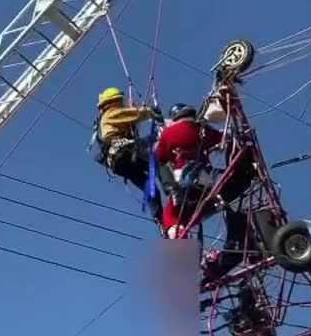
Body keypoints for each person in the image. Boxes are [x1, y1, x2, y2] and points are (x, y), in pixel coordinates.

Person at [94, 87, 163, 220]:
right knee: (160, 164)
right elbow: (134, 114)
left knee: (151, 188)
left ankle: (160, 219)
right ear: (115, 101)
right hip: (124, 153)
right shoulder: (111, 113)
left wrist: (152, 137)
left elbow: (135, 140)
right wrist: (151, 112)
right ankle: (173, 188)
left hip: (119, 162)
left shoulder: (111, 124)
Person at [154, 103, 222, 238]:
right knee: (197, 211)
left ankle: (180, 242)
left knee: (170, 216)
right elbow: (221, 138)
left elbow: (159, 158)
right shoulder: (203, 129)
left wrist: (168, 184)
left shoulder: (168, 133)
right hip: (206, 180)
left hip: (183, 180)